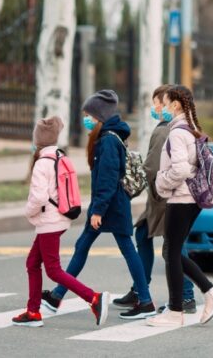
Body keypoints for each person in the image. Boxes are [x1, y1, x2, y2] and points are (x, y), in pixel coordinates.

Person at [41, 90, 156, 320]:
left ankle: (145, 301)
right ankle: (57, 295)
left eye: (88, 115)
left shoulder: (108, 141)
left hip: (110, 206)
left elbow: (107, 178)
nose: (85, 119)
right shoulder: (108, 137)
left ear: (99, 117)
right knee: (84, 246)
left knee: (124, 249)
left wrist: (98, 211)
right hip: (110, 204)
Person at [13, 117, 110, 328]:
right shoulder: (59, 156)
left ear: (38, 140)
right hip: (60, 217)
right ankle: (33, 311)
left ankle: (93, 298)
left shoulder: (41, 163)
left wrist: (28, 212)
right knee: (32, 263)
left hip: (49, 221)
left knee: (53, 270)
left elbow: (38, 198)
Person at [147, 85, 213, 327]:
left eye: (166, 101)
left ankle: (177, 309)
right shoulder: (190, 129)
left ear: (176, 105)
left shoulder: (177, 133)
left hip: (181, 198)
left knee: (172, 252)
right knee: (174, 250)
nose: (161, 107)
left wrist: (162, 182)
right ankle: (209, 293)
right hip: (191, 199)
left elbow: (180, 169)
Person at [113, 84, 196, 314]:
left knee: (173, 246)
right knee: (148, 236)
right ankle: (141, 290)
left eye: (157, 102)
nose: (155, 107)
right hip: (167, 196)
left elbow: (151, 167)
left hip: (164, 197)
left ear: (169, 104)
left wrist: (129, 188)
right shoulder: (184, 126)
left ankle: (186, 295)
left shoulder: (164, 130)